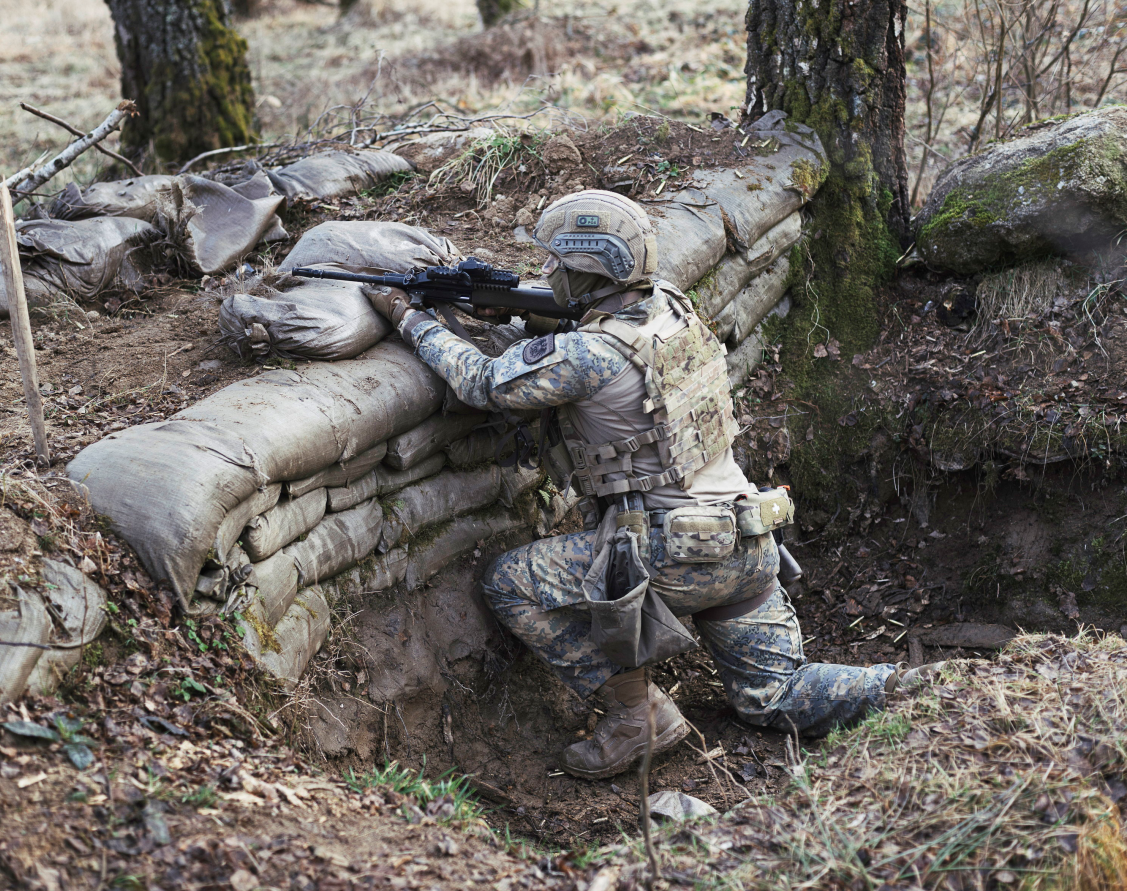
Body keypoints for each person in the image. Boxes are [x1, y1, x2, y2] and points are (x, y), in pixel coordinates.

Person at [368, 190, 943, 779]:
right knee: (776, 695)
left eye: (557, 261)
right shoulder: (671, 304)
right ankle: (916, 690)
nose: (546, 270)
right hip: (747, 539)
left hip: (673, 554)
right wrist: (520, 312)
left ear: (590, 268)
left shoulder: (589, 353)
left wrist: (409, 318)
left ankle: (637, 716)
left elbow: (482, 381)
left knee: (509, 582)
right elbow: (585, 326)